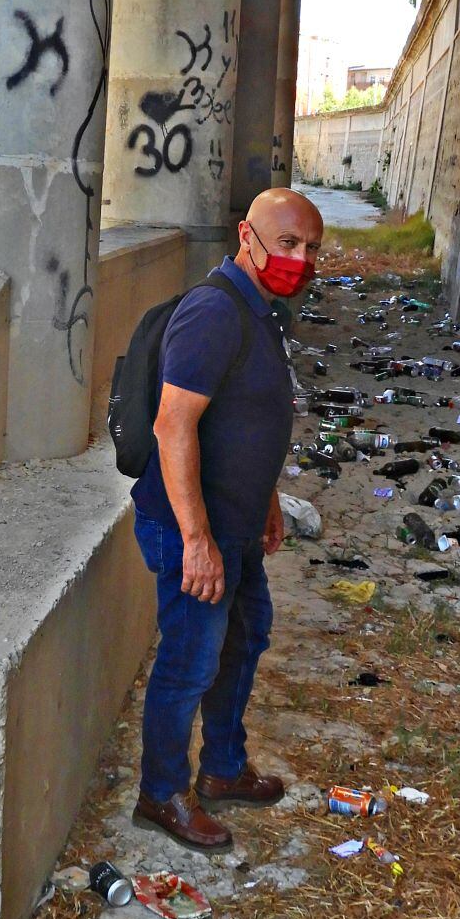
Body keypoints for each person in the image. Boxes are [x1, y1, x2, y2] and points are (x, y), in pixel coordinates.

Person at [129, 187, 323, 851]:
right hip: (194, 529)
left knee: (244, 639)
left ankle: (223, 768)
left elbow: (246, 415)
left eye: (311, 248)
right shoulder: (213, 312)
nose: (300, 258)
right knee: (190, 659)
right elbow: (172, 424)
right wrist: (197, 541)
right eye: (288, 243)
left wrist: (265, 497)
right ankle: (161, 793)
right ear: (248, 236)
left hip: (236, 524)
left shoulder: (257, 308)